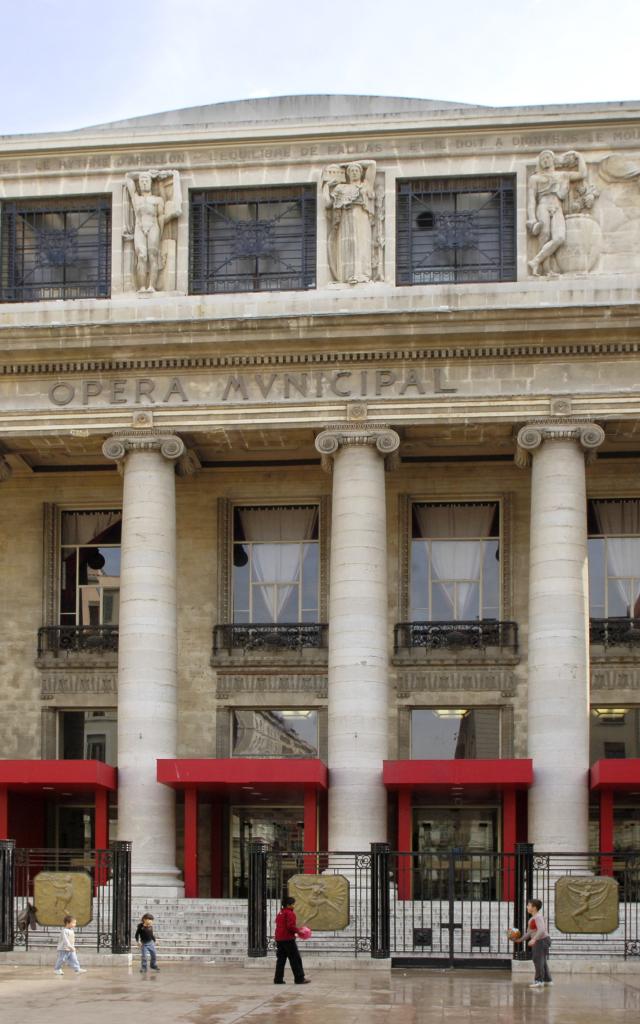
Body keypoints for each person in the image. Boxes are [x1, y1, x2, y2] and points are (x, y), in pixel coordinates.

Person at [526, 149, 587, 276]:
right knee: (545, 235)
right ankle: (547, 270)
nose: (545, 160)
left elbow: (582, 174)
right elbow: (531, 200)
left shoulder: (562, 175)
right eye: (542, 158)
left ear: (553, 160)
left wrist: (579, 156)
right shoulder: (534, 178)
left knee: (559, 237)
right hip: (543, 205)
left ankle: (536, 261)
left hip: (557, 206)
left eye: (547, 157)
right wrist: (532, 218)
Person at [124, 169, 182, 292]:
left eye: (146, 180)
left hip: (153, 226)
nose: (144, 182)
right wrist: (150, 173)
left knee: (152, 256)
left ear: (151, 183)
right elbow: (128, 178)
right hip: (140, 227)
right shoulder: (136, 199)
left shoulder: (158, 200)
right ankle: (141, 287)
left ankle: (151, 286)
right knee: (142, 256)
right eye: (141, 180)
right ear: (139, 183)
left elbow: (161, 217)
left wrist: (170, 216)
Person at [323, 161, 376, 284]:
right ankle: (347, 276)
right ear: (347, 174)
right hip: (345, 218)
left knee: (362, 245)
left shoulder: (365, 185)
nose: (354, 172)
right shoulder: (341, 188)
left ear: (361, 172)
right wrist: (326, 186)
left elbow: (372, 164)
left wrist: (347, 163)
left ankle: (363, 275)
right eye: (351, 171)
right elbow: (327, 203)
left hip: (361, 216)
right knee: (348, 246)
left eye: (356, 170)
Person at [513, 898, 552, 988]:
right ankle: (547, 980)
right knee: (542, 961)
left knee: (537, 960)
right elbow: (529, 933)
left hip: (542, 940)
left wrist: (534, 939)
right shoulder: (532, 919)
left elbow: (541, 930)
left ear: (534, 907)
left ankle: (539, 981)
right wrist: (519, 940)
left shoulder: (538, 917)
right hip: (540, 940)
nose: (527, 907)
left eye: (528, 905)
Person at [273, 896, 310, 985]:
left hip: (279, 939)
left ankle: (278, 979)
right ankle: (299, 978)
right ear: (288, 905)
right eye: (293, 904)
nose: (294, 906)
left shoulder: (280, 913)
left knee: (281, 960)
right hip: (288, 939)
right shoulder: (290, 913)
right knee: (295, 959)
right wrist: (299, 931)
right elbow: (290, 926)